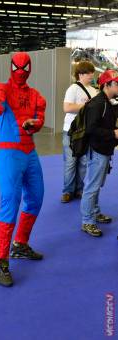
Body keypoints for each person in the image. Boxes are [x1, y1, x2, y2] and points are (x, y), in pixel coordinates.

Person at [0, 52, 46, 287]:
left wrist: (32, 124)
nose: (20, 72)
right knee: (11, 201)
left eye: (24, 68)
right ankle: (0, 262)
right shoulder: (0, 88)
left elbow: (39, 119)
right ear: (10, 67)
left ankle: (20, 244)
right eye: (17, 67)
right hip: (9, 153)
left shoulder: (36, 95)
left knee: (36, 198)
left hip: (30, 152)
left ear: (30, 68)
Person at [81, 70, 118, 237]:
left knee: (96, 185)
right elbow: (91, 129)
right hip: (97, 150)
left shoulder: (107, 102)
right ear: (107, 85)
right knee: (92, 186)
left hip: (103, 149)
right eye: (116, 83)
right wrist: (114, 134)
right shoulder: (98, 103)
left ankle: (94, 213)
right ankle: (87, 221)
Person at [61, 61, 98, 203]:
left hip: (86, 132)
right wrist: (86, 106)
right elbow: (67, 108)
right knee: (71, 162)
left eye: (91, 73)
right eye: (89, 73)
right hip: (71, 131)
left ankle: (79, 190)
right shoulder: (73, 89)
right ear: (81, 74)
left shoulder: (95, 91)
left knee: (83, 162)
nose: (91, 76)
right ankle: (67, 191)